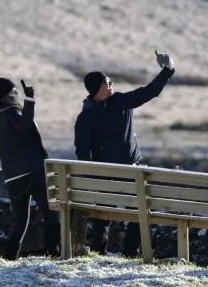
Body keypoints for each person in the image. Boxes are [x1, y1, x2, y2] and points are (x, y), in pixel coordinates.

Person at [74, 50, 176, 257]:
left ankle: (121, 251)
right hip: (116, 172)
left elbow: (149, 92)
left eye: (110, 80)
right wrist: (168, 70)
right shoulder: (94, 113)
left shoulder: (110, 105)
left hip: (119, 170)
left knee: (127, 212)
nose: (110, 84)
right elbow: (82, 150)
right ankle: (117, 252)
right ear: (96, 89)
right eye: (106, 82)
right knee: (129, 212)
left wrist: (167, 71)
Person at [0, 77, 60, 260]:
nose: (16, 93)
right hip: (33, 172)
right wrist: (30, 101)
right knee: (51, 215)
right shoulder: (12, 112)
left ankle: (9, 257)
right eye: (14, 91)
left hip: (12, 178)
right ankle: (53, 253)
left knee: (20, 221)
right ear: (7, 95)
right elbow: (25, 126)